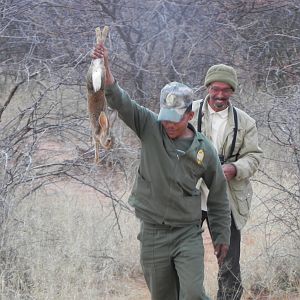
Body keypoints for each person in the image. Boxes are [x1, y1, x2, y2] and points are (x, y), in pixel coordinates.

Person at [89, 43, 231, 300]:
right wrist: (106, 64)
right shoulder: (149, 126)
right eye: (164, 116)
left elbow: (218, 195)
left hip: (187, 232)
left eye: (174, 118)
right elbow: (119, 98)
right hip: (153, 232)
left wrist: (221, 235)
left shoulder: (204, 150)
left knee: (192, 294)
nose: (167, 123)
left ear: (189, 115)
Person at [191, 64, 263, 300]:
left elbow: (254, 156)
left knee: (229, 262)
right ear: (207, 87)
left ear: (232, 91)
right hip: (190, 195)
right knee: (181, 254)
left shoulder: (245, 121)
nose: (220, 95)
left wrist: (233, 168)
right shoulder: (188, 113)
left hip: (227, 199)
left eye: (226, 90)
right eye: (215, 89)